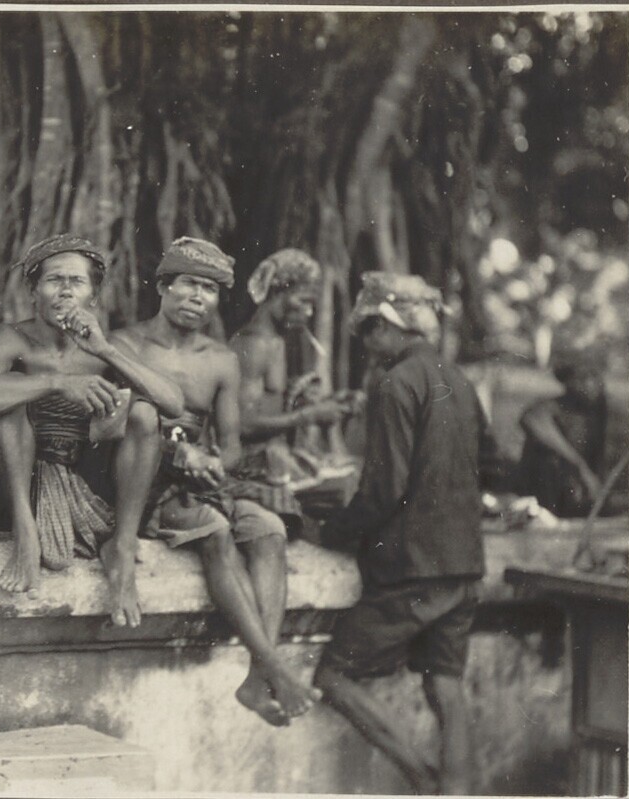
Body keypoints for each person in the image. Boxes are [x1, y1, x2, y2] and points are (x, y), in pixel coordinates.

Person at [117, 237, 321, 726]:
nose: (198, 297)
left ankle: (255, 677)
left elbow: (231, 444)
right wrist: (176, 453)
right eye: (189, 284)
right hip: (141, 480)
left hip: (198, 479)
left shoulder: (220, 359)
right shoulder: (126, 345)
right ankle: (277, 668)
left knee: (269, 529)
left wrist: (211, 459)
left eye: (209, 290)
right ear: (163, 286)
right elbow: (114, 429)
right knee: (215, 531)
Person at [0, 234, 184, 629]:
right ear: (33, 292)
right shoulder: (13, 337)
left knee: (144, 415)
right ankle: (26, 533)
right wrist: (56, 383)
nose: (65, 291)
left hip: (79, 479)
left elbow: (174, 404)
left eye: (77, 282)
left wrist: (105, 351)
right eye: (53, 280)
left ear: (93, 296)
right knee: (7, 404)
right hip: (11, 480)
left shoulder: (104, 346)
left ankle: (122, 546)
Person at [313, 271, 493, 794]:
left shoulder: (395, 382)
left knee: (332, 677)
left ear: (389, 325)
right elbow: (490, 464)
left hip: (414, 565)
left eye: (370, 332)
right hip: (464, 561)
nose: (368, 347)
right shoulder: (459, 380)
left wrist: (331, 530)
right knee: (445, 684)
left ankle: (424, 781)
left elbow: (384, 488)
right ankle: (457, 792)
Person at [228, 248, 356, 532]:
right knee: (349, 492)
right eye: (303, 301)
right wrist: (310, 415)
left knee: (357, 484)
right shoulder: (254, 345)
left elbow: (267, 403)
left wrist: (300, 397)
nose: (308, 312)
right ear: (278, 292)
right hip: (253, 466)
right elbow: (243, 424)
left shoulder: (276, 341)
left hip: (276, 458)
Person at [516, 339, 614, 517]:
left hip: (582, 493)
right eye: (583, 378)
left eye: (596, 377)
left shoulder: (599, 411)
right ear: (568, 383)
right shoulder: (554, 407)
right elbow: (531, 419)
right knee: (549, 459)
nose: (592, 384)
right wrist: (581, 468)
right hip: (548, 497)